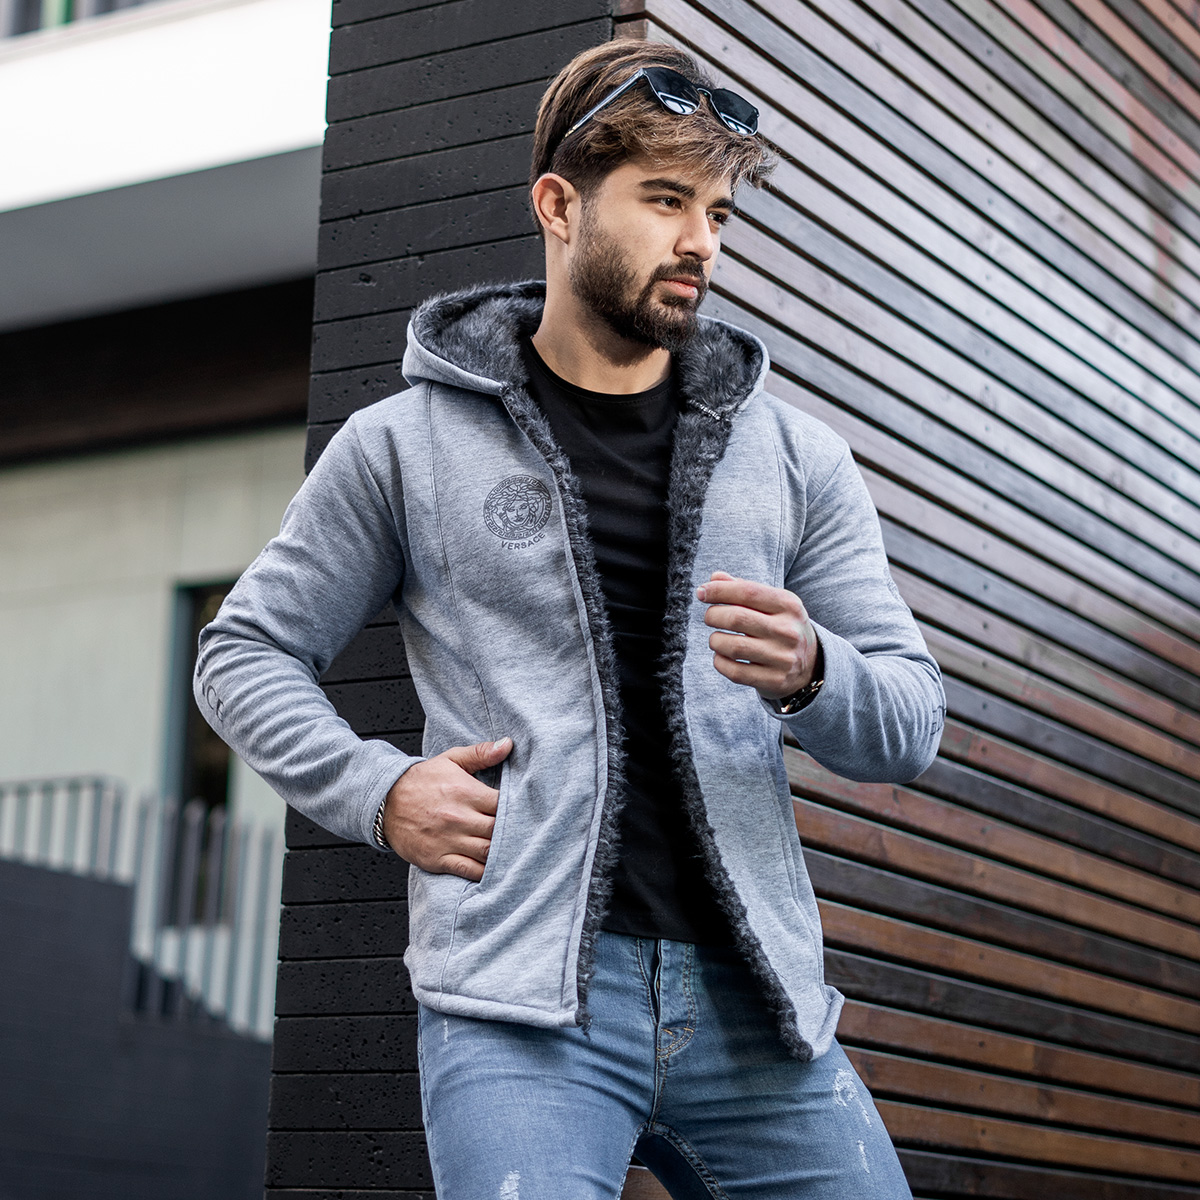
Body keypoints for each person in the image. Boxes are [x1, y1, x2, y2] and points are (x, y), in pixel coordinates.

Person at [195, 39, 944, 1200]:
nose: (700, 242)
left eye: (717, 213)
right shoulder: (405, 445)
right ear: (559, 205)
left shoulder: (797, 458)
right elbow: (243, 653)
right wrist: (380, 793)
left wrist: (812, 670)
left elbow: (910, 721)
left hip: (758, 1009)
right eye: (664, 201)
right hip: (521, 1010)